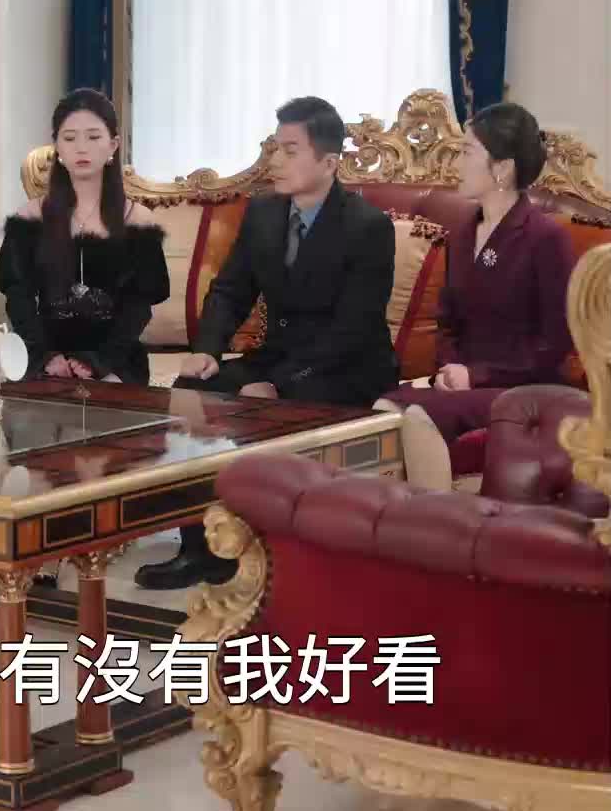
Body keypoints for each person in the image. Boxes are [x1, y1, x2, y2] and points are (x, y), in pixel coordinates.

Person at [135, 95, 398, 590]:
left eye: (290, 150)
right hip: (279, 356)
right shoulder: (264, 213)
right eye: (276, 147)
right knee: (193, 390)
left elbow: (354, 328)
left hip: (344, 368)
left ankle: (287, 558)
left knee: (287, 402)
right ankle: (201, 550)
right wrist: (207, 350)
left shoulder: (367, 227)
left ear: (329, 163)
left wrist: (277, 384)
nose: (275, 160)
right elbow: (230, 290)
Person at [377, 102, 574, 490]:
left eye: (467, 152)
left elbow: (554, 344)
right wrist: (451, 367)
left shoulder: (545, 238)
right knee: (384, 406)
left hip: (526, 389)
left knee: (417, 414)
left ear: (502, 168)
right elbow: (447, 320)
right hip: (464, 382)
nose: (456, 164)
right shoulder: (464, 233)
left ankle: (438, 522)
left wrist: (477, 375)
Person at [0, 88, 169, 385]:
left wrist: (100, 362)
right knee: (34, 402)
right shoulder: (30, 216)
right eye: (70, 138)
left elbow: (137, 309)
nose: (81, 148)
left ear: (113, 145)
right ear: (57, 147)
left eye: (94, 137)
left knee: (108, 393)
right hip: (45, 354)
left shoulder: (138, 220)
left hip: (116, 357)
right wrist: (45, 357)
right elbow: (19, 301)